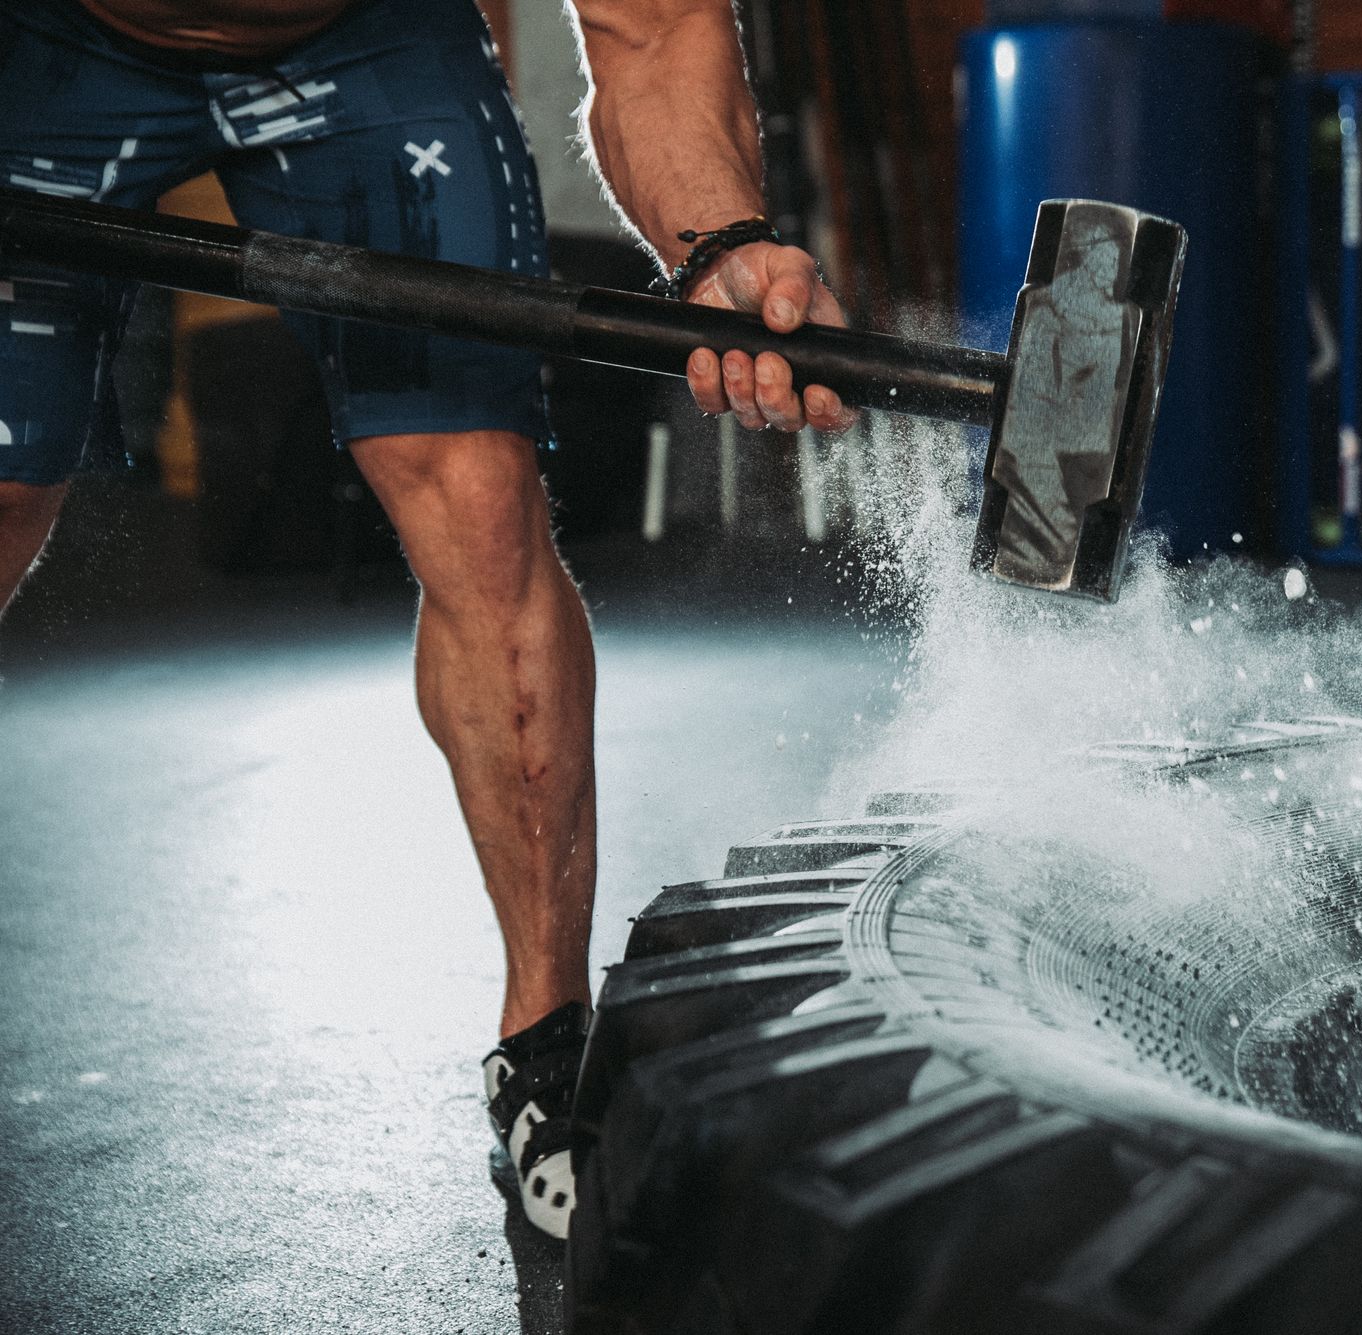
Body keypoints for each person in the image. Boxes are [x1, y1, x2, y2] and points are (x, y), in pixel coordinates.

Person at [0, 0, 849, 1242]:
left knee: (479, 500)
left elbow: (655, 22)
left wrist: (719, 241)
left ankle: (545, 1048)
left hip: (366, 39)